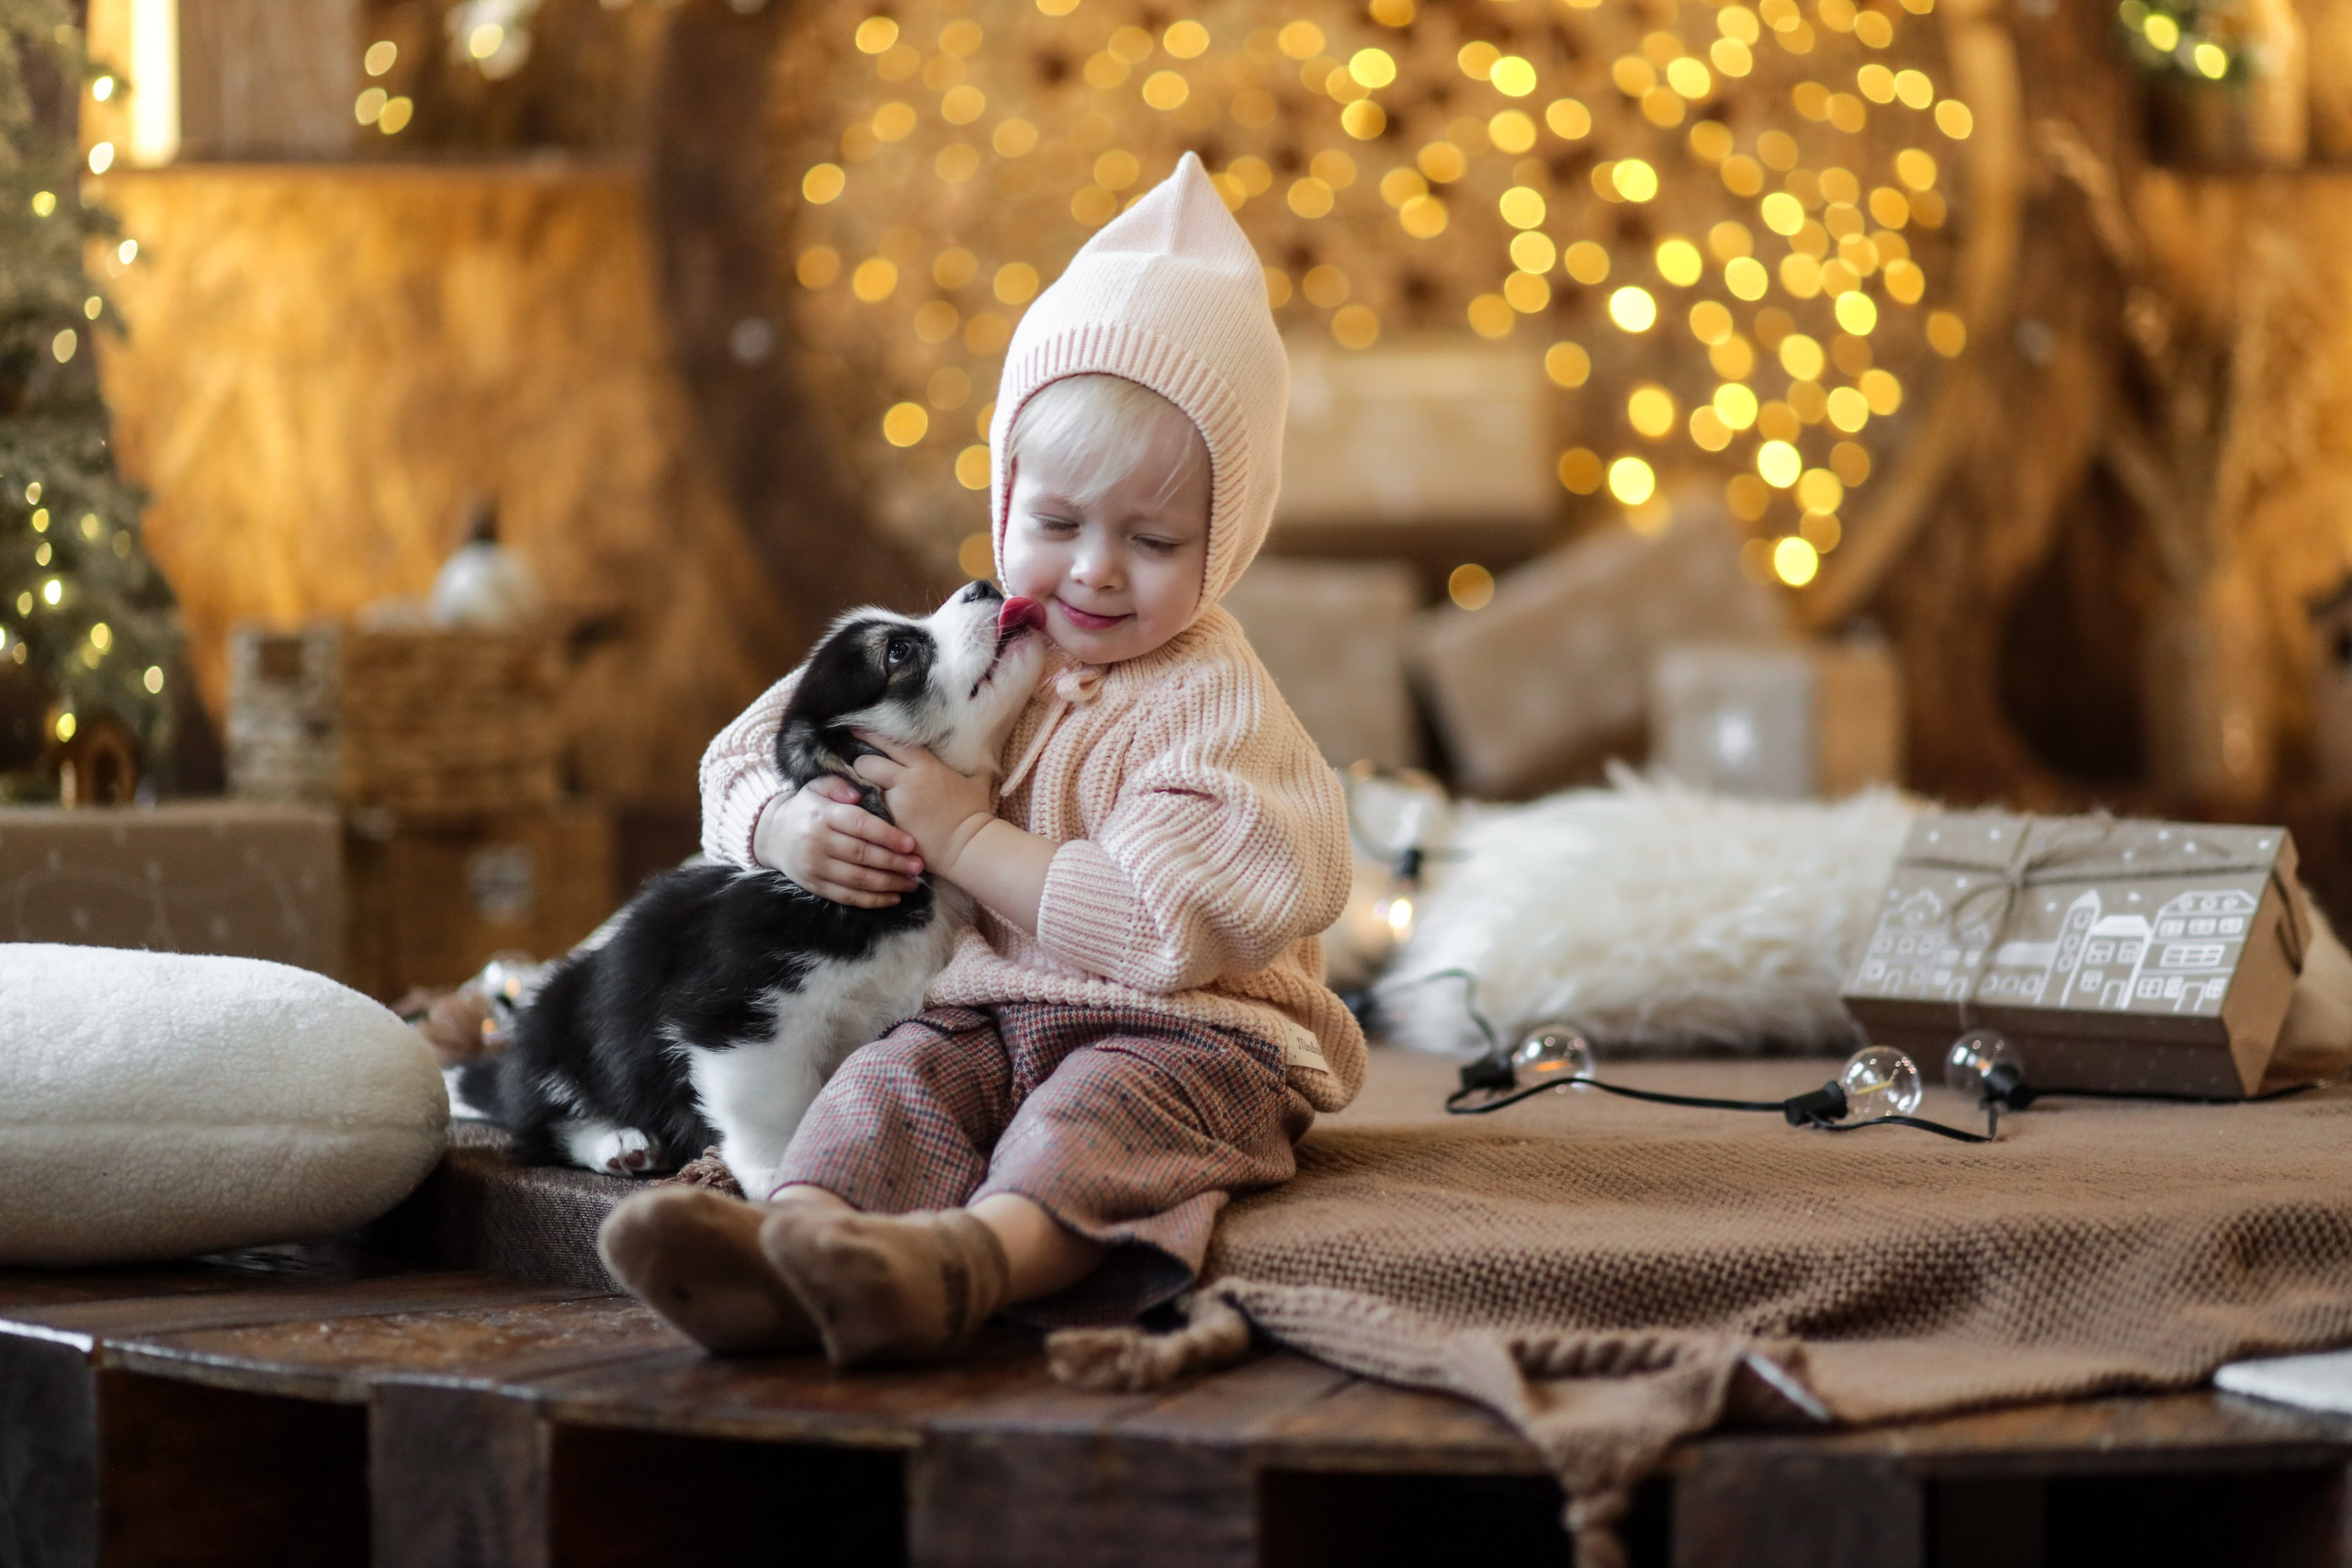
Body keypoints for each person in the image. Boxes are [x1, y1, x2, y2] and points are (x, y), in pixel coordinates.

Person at [596, 152, 1364, 1367]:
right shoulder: (976, 642)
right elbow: (744, 752)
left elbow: (1157, 932)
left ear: (1225, 544)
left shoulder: (1213, 706)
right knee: (890, 1085)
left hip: (1190, 1035)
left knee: (1095, 1125)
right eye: (1056, 524)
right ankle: (793, 1247)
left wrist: (964, 837)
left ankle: (965, 1266)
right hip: (981, 1009)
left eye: (1152, 539)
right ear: (1006, 497)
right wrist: (782, 826)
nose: (1094, 571)